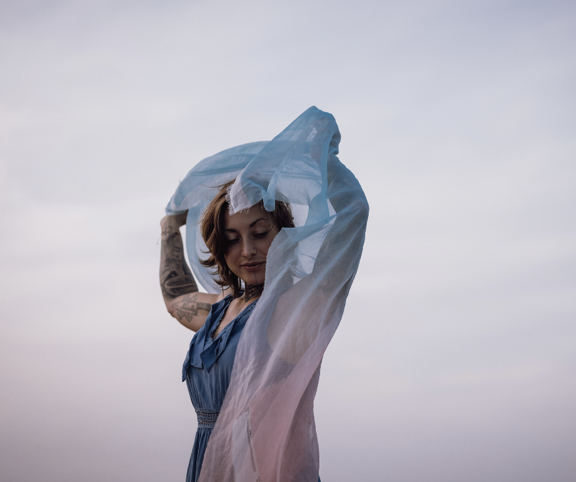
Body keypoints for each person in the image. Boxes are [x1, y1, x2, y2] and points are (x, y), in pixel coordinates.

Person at [160, 107, 368, 482]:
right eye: (232, 239)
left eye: (259, 233)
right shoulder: (218, 311)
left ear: (283, 236)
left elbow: (353, 211)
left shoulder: (292, 309)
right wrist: (169, 227)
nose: (248, 251)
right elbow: (175, 298)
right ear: (218, 248)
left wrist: (317, 158)